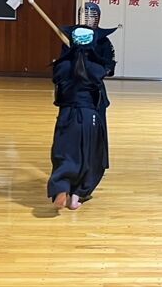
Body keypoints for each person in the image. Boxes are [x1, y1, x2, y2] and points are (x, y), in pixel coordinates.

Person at [47, 25, 115, 210]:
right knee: (89, 155)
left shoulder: (61, 66)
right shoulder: (96, 69)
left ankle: (61, 186)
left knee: (63, 153)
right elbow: (107, 69)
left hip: (66, 115)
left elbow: (60, 79)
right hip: (88, 116)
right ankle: (76, 196)